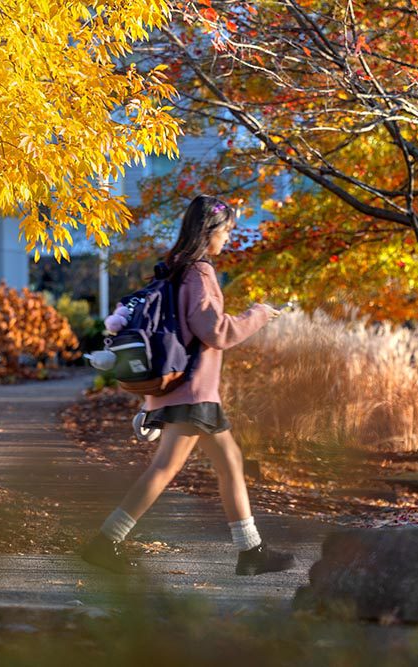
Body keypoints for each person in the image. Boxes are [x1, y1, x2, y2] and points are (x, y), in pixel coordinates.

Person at [81, 195, 297, 576]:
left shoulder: (174, 269)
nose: (228, 238)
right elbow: (214, 331)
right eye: (226, 231)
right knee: (164, 469)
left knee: (229, 462)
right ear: (210, 231)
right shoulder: (198, 271)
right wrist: (258, 314)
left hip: (190, 391)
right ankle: (104, 542)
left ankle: (251, 552)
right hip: (193, 391)